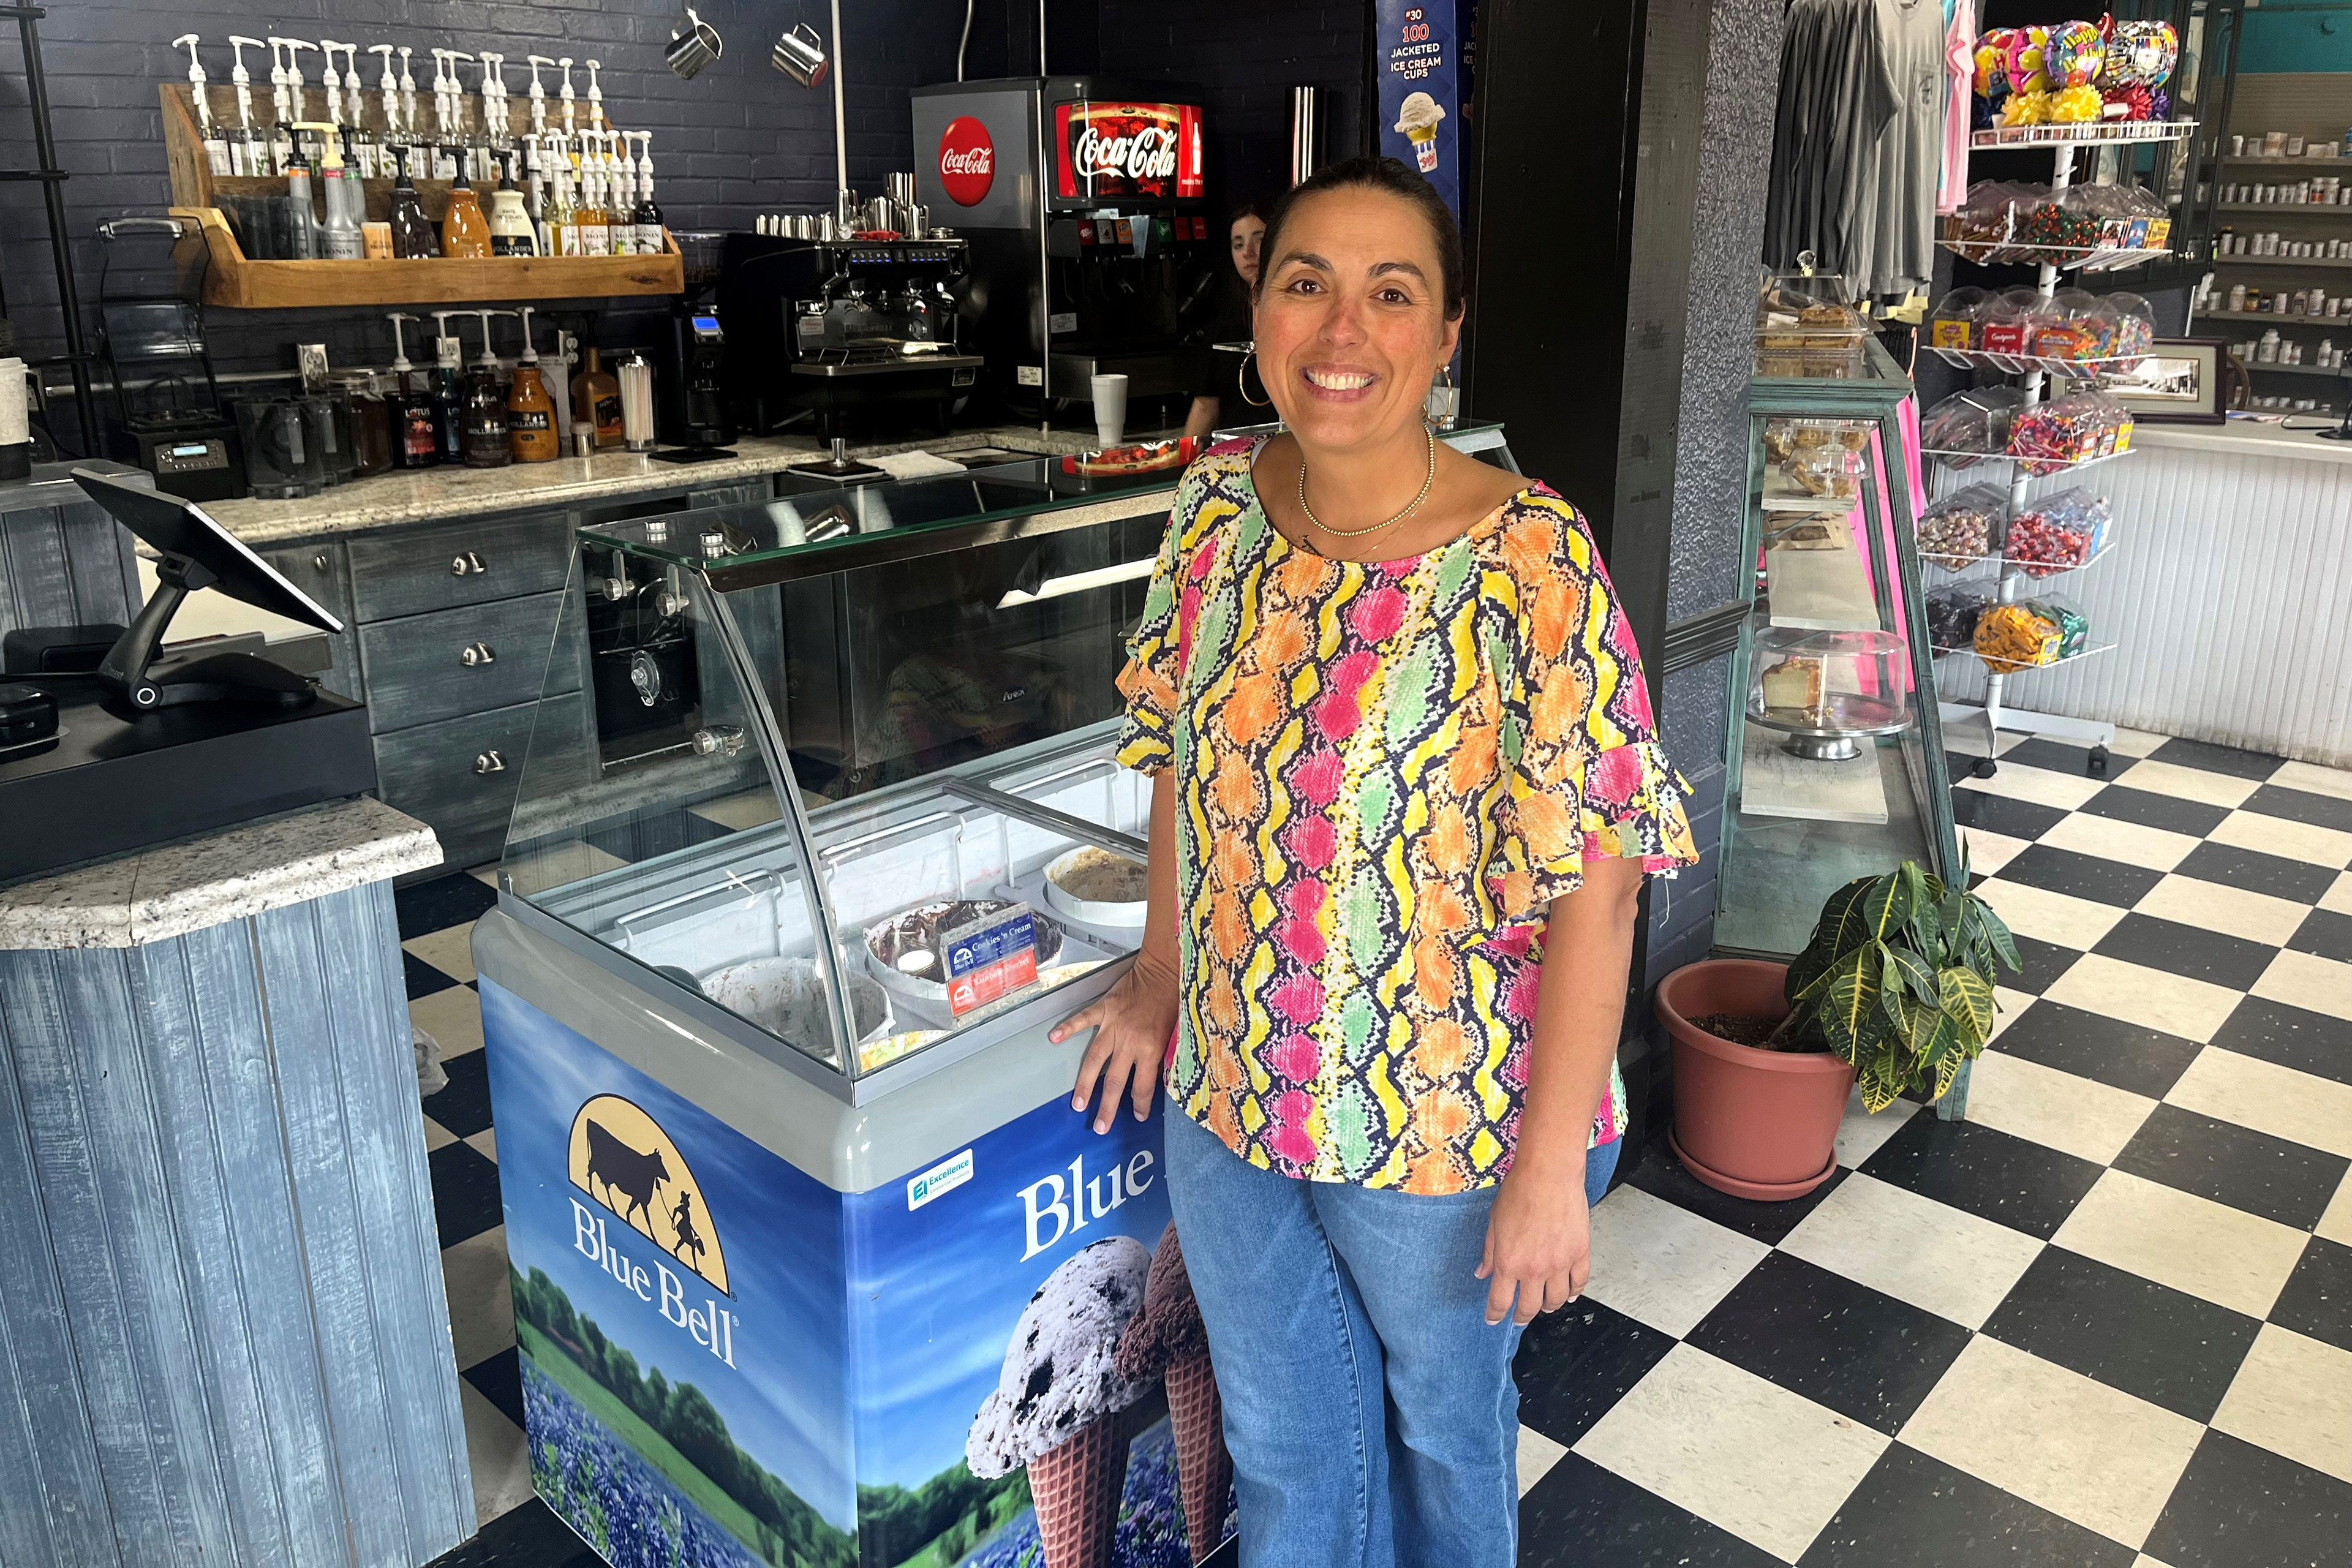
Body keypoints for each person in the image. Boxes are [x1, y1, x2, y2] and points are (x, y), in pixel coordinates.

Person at [1052, 155, 1696, 1568]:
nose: (1340, 332)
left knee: (1442, 1433)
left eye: (1388, 293)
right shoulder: (1217, 505)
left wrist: (1544, 1167)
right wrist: (1159, 974)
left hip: (1441, 1125)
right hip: (1229, 1100)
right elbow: (1174, 753)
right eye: (1305, 284)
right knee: (1286, 1450)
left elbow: (1602, 878)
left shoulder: (1530, 556)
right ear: (1260, 306)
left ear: (1445, 332)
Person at [1180, 202, 1270, 440]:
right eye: (1238, 245)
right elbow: (1205, 404)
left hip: (1287, 452)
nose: (1247, 252)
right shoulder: (1224, 320)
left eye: (1259, 240)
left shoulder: (1301, 316)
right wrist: (1184, 467)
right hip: (1233, 456)